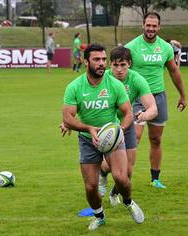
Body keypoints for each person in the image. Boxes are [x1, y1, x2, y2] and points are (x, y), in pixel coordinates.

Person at [61, 44, 144, 231]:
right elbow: (67, 118)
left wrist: (120, 129)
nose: (102, 64)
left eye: (104, 60)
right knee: (91, 187)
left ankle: (129, 203)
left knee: (122, 178)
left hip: (112, 137)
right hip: (87, 140)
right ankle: (99, 216)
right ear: (86, 62)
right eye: (97, 60)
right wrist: (88, 128)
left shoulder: (115, 84)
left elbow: (128, 112)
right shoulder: (74, 87)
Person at [125, 12, 187, 189]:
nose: (151, 28)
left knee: (156, 139)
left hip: (158, 97)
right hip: (137, 98)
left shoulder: (166, 48)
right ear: (142, 25)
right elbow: (120, 73)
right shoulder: (131, 47)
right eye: (148, 25)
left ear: (159, 27)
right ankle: (123, 177)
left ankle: (155, 179)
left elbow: (174, 72)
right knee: (133, 139)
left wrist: (182, 95)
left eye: (154, 26)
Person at [98, 46, 158, 204]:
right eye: (115, 65)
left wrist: (145, 114)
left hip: (127, 123)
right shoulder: (102, 78)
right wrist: (67, 121)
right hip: (107, 126)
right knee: (111, 165)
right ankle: (103, 173)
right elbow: (84, 100)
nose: (119, 69)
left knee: (128, 170)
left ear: (129, 64)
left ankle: (114, 193)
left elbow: (153, 107)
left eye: (123, 65)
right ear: (110, 65)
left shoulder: (136, 79)